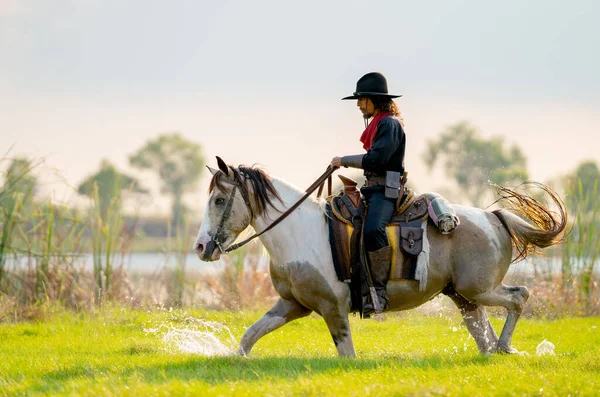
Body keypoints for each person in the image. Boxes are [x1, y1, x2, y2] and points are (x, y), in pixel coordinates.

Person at [331, 72, 406, 314]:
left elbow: (377, 158)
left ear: (374, 100)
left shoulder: (389, 124)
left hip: (386, 191)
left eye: (362, 99)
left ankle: (379, 292)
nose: (358, 104)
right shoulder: (381, 122)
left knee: (374, 229)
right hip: (374, 189)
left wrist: (343, 160)